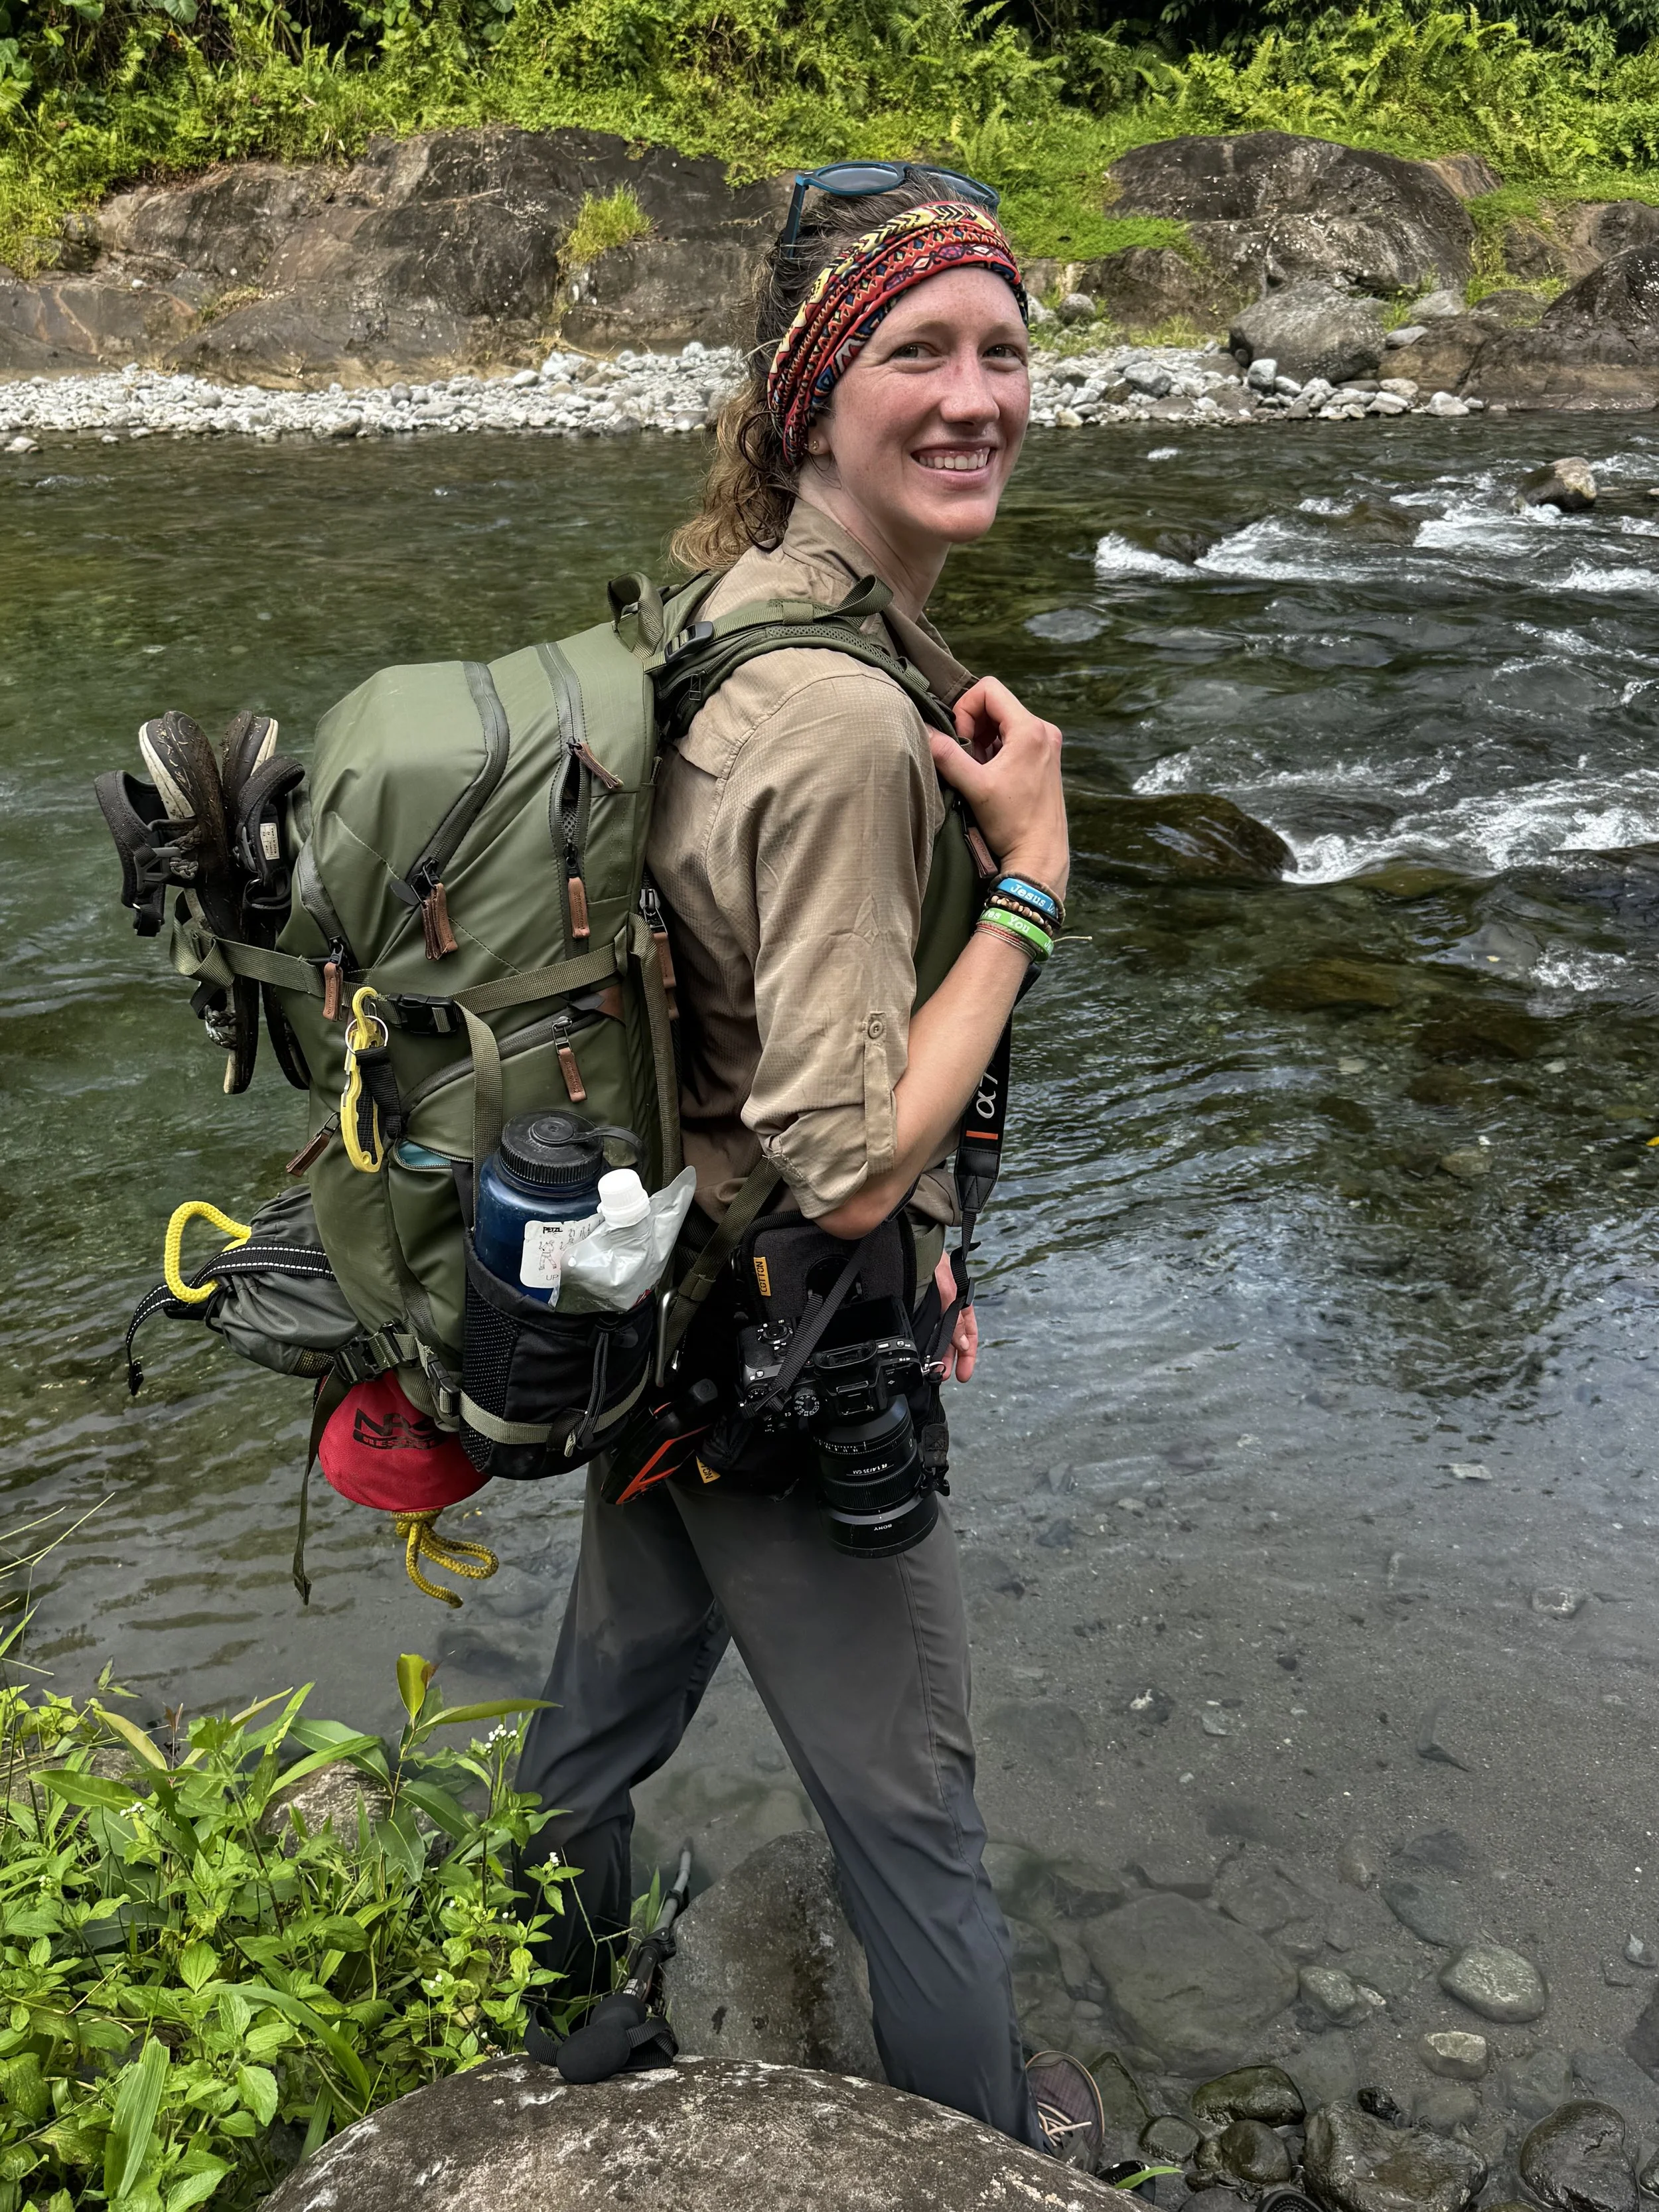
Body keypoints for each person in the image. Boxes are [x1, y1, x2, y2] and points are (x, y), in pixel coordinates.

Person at [515, 165, 1101, 2166]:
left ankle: (542, 2028)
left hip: (661, 1303)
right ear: (805, 400)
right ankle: (990, 2150)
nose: (974, 395)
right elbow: (850, 1162)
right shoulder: (842, 727)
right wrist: (1025, 886)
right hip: (790, 1348)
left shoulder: (717, 626)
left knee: (597, 1721)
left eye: (1001, 349)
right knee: (916, 1826)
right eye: (914, 353)